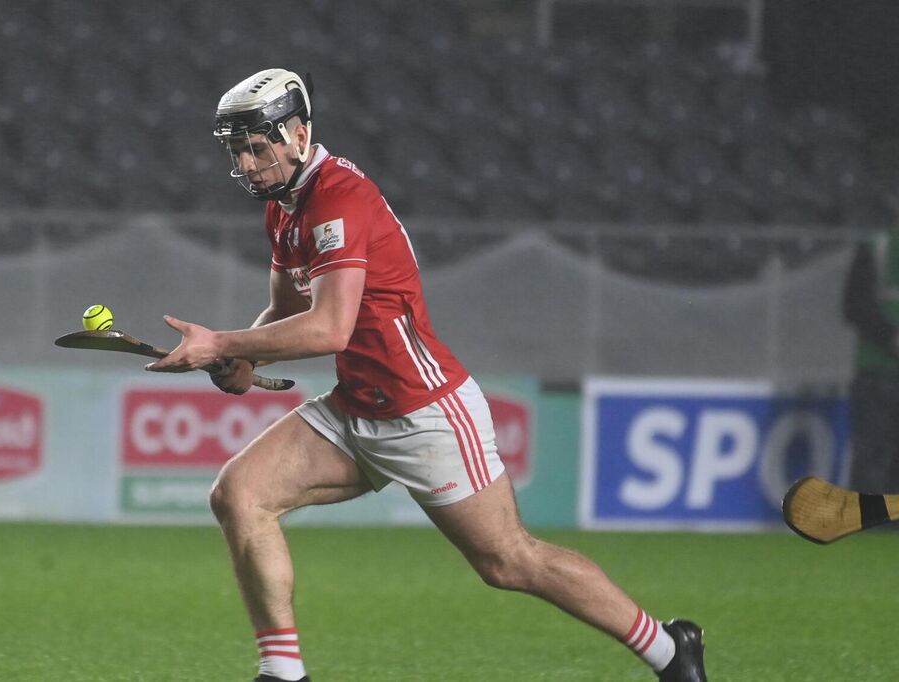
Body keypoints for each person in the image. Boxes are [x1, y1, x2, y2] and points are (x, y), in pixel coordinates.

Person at [147, 68, 707, 682]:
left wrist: (221, 342)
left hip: (425, 409)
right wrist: (244, 360)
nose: (248, 164)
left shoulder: (338, 198)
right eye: (237, 151)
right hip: (357, 407)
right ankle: (283, 673)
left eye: (257, 147)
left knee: (509, 563)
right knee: (238, 494)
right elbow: (285, 313)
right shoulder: (285, 209)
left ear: (298, 133)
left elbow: (330, 327)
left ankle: (668, 650)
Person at [842, 231, 899, 495]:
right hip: (878, 372)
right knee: (872, 453)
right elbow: (854, 305)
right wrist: (890, 337)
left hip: (878, 374)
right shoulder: (876, 249)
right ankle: (868, 524)